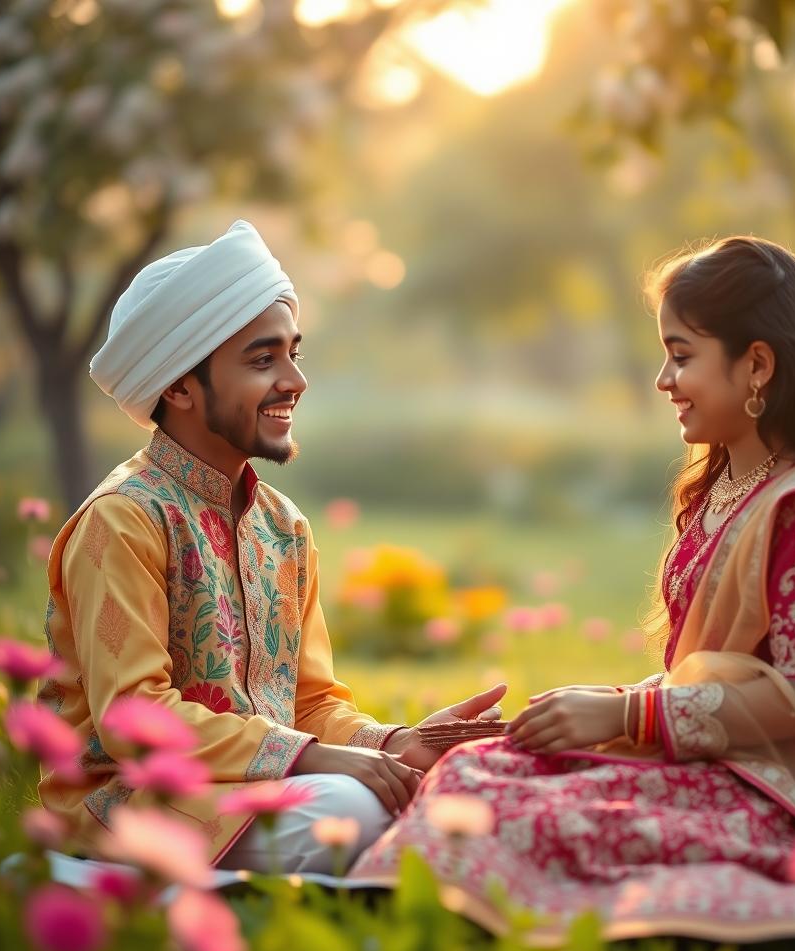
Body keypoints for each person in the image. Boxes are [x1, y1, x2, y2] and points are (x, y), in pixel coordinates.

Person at [349, 236, 795, 951]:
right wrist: (613, 709)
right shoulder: (725, 486)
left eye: (682, 355)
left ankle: (453, 900)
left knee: (513, 801)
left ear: (756, 364)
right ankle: (434, 886)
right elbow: (715, 666)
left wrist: (630, 711)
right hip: (727, 760)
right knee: (482, 763)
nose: (663, 379)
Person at [39, 220, 504, 874]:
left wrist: (398, 743)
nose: (295, 381)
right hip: (134, 805)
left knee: (453, 784)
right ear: (178, 387)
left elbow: (310, 703)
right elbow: (135, 720)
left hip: (263, 791)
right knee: (352, 807)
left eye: (294, 353)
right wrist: (315, 758)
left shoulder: (283, 529)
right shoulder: (123, 521)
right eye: (263, 360)